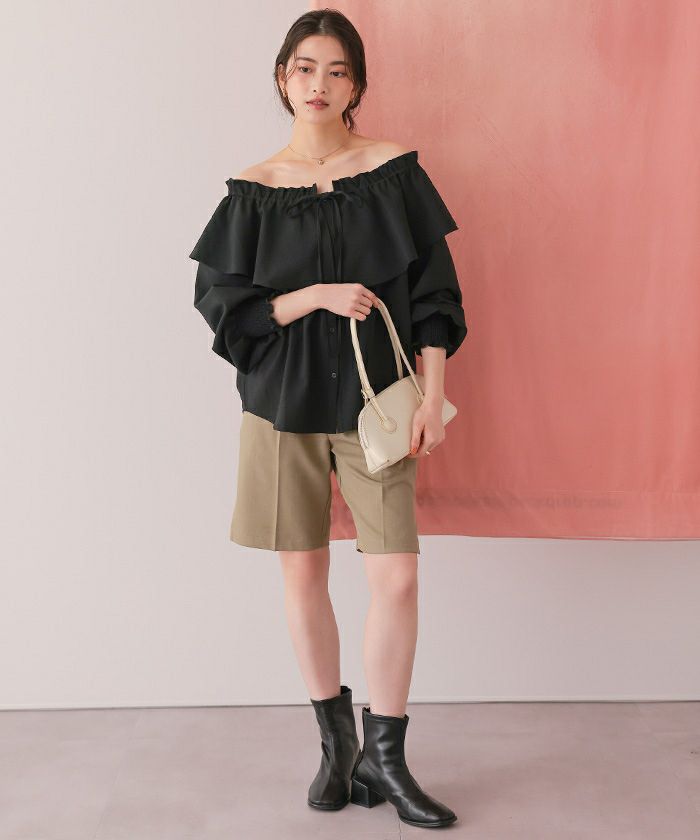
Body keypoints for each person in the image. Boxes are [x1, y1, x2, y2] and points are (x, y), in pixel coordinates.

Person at [189, 9, 467, 830]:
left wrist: (432, 395)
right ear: (283, 78)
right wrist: (312, 294)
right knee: (302, 574)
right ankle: (335, 744)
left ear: (357, 85)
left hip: (378, 404)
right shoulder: (251, 191)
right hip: (280, 408)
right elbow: (224, 309)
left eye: (337, 71)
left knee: (397, 575)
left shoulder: (392, 173)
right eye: (305, 68)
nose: (319, 84)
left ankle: (387, 757)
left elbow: (436, 293)